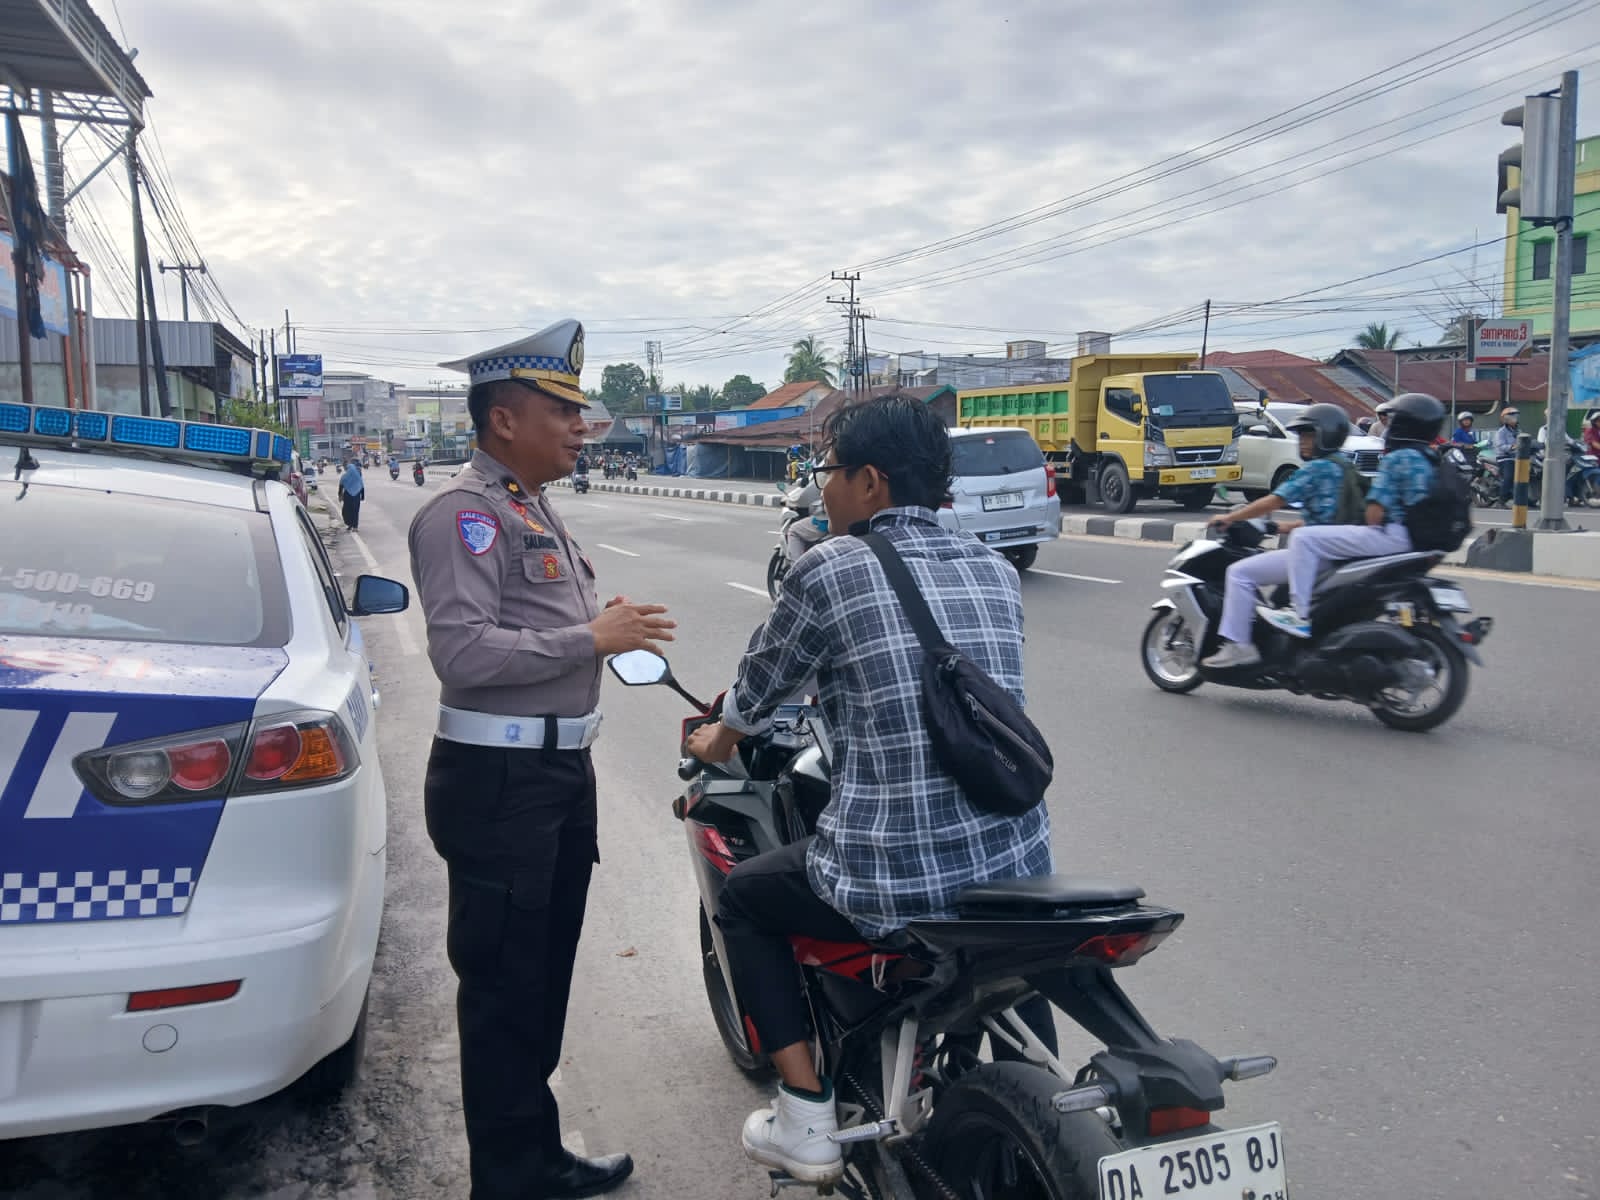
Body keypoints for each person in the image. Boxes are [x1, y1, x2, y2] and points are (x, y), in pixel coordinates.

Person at [684, 395, 1054, 1184]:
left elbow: (759, 689)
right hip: (1017, 865)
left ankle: (805, 1116)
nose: (823, 489)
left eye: (828, 472)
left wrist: (716, 738)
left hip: (895, 875)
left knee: (746, 899)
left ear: (871, 482)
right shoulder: (993, 568)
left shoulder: (831, 565)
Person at [409, 319, 675, 1200]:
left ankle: (534, 1155)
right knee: (501, 991)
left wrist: (598, 633)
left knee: (542, 976)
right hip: (501, 785)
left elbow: (542, 630)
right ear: (503, 418)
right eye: (560, 406)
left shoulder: (529, 503)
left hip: (558, 777)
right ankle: (508, 1179)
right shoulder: (465, 514)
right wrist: (590, 636)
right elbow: (464, 655)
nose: (580, 422)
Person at [1262, 392, 1442, 639]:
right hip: (1424, 540)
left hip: (1395, 535)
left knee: (1304, 538)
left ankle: (1298, 614)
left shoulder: (1397, 458)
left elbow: (1374, 515)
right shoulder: (1433, 459)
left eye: (1393, 420)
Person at [1201, 405, 1360, 669]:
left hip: (1315, 555)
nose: (1303, 441)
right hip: (1336, 550)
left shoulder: (1317, 469)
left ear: (1326, 435)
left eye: (1309, 435)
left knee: (1240, 574)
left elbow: (1274, 500)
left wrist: (1230, 518)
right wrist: (1284, 528)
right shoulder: (1344, 466)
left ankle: (1238, 645)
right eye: (1301, 436)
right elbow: (1327, 517)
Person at [1493, 406, 1521, 504]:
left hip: (1517, 458)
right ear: (1505, 420)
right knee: (1509, 477)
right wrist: (1512, 447)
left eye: (1516, 417)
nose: (1514, 419)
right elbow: (1500, 446)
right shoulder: (1501, 432)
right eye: (1511, 418)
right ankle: (1501, 500)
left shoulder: (1518, 431)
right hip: (1505, 458)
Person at [338, 458, 364, 530]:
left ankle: (352, 525)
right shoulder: (357, 475)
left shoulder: (346, 476)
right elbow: (361, 485)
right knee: (353, 511)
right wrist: (362, 496)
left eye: (345, 467)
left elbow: (341, 486)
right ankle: (352, 525)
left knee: (348, 511)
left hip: (349, 495)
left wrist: (339, 496)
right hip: (356, 495)